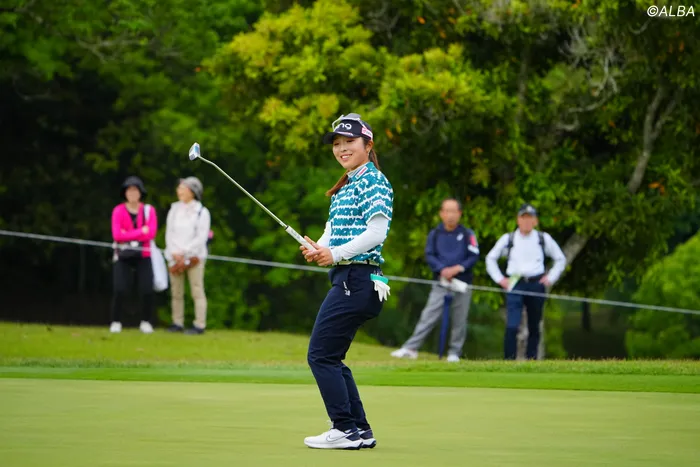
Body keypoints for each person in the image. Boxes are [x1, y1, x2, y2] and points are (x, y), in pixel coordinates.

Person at [299, 113, 393, 450]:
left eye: (350, 142)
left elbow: (377, 232)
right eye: (337, 143)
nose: (342, 148)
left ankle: (344, 429)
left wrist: (335, 254)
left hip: (358, 278)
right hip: (350, 278)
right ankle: (359, 430)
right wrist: (320, 248)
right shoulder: (346, 185)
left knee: (320, 355)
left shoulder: (373, 180)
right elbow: (333, 230)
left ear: (368, 145)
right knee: (332, 357)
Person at [390, 198, 479, 362]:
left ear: (459, 213)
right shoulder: (435, 234)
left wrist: (457, 269)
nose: (450, 215)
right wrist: (442, 269)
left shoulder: (468, 234)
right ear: (441, 213)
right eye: (447, 211)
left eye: (454, 211)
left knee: (459, 320)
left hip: (462, 283)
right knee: (428, 315)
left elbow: (473, 256)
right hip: (441, 281)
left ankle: (454, 353)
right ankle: (411, 348)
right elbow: (430, 255)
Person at [485, 203, 566, 360]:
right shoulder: (508, 239)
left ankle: (532, 360)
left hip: (536, 284)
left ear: (535, 221)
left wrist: (550, 278)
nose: (527, 221)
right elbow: (490, 258)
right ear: (518, 220)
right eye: (524, 218)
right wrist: (500, 279)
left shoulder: (543, 239)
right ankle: (509, 361)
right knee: (512, 325)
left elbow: (560, 259)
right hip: (515, 283)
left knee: (534, 326)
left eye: (530, 218)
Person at [110, 176, 158, 334]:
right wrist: (140, 232)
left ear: (140, 193)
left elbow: (151, 233)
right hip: (123, 255)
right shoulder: (118, 211)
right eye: (129, 190)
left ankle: (146, 321)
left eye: (135, 190)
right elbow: (117, 235)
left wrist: (128, 234)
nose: (132, 193)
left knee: (146, 288)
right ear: (124, 193)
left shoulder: (149, 211)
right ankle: (116, 321)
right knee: (120, 288)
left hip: (143, 254)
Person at [164, 177, 211, 335]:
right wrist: (174, 252)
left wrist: (185, 252)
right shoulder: (174, 209)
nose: (180, 191)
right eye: (179, 188)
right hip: (174, 255)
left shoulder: (202, 212)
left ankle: (199, 324)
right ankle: (177, 322)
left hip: (194, 257)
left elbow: (201, 237)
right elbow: (169, 233)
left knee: (197, 290)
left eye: (183, 188)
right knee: (176, 292)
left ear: (193, 191)